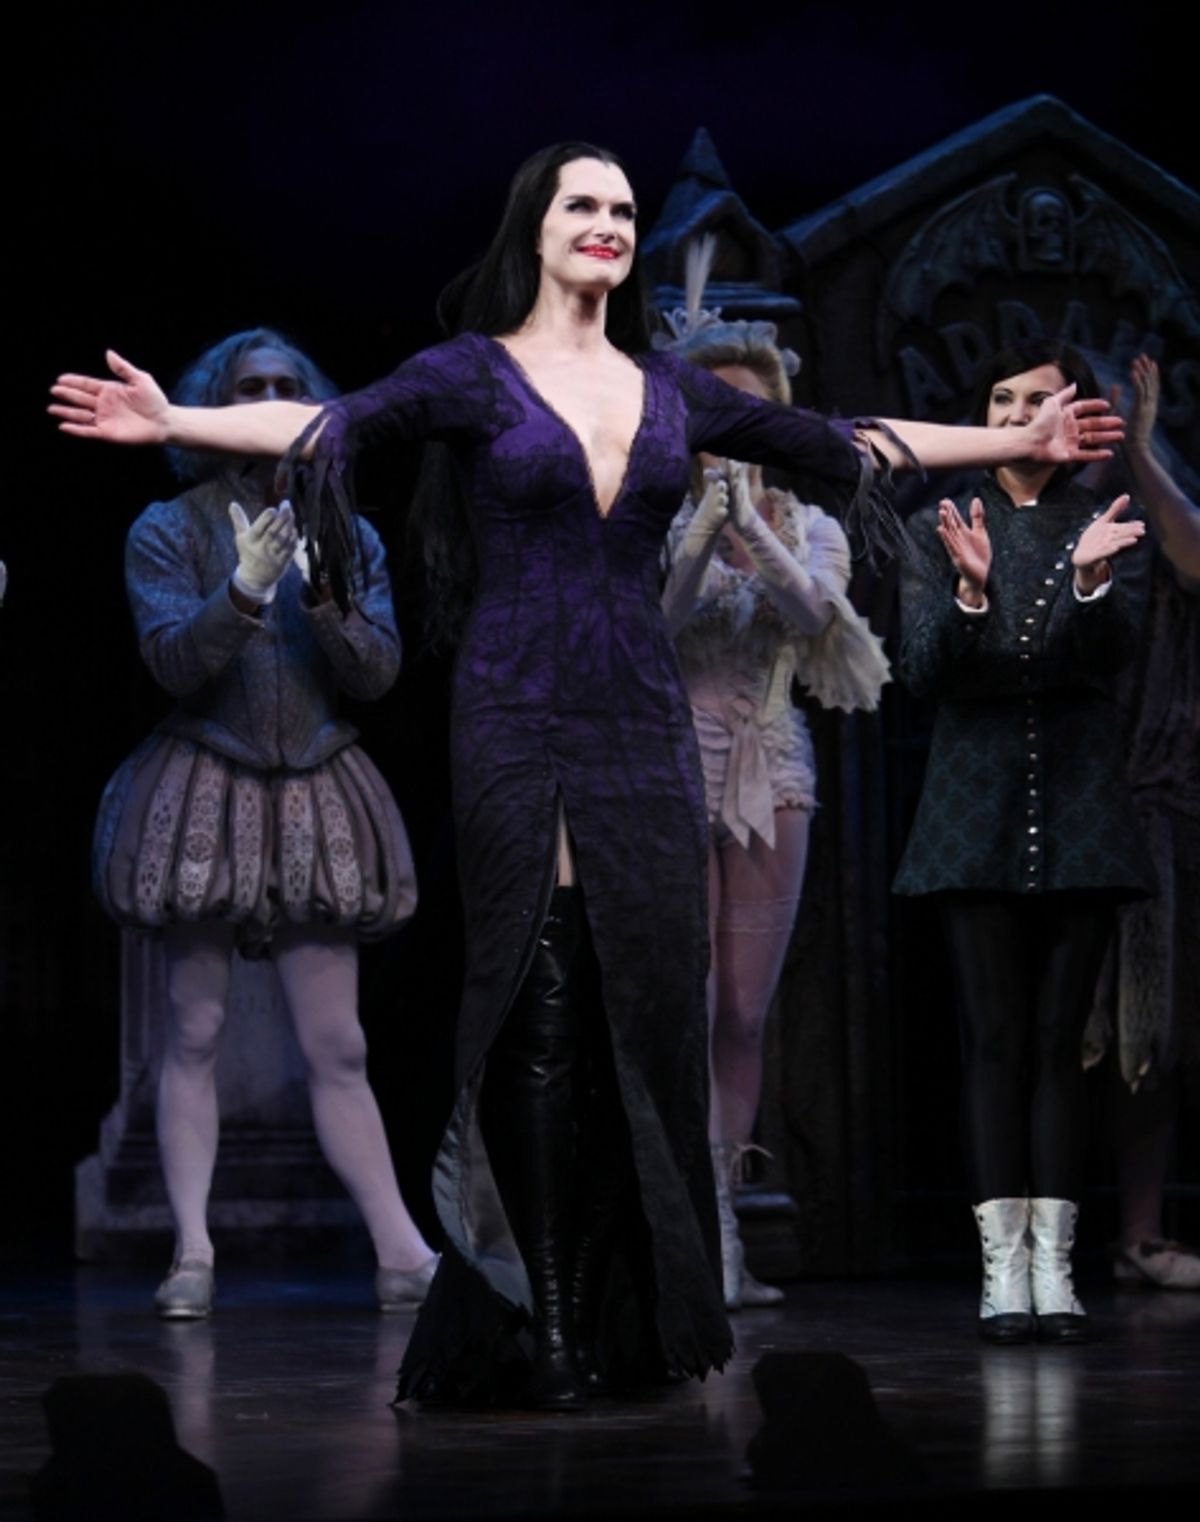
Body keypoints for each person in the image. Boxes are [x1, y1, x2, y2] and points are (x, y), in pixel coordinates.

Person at [51, 145, 1123, 1402]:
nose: (610, 225)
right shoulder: (474, 370)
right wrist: (173, 418)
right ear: (538, 227)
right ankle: (546, 1310)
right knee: (540, 998)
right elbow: (327, 425)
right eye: (585, 206)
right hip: (515, 705)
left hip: (638, 713)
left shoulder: (670, 390)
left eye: (622, 209)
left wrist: (1028, 431)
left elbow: (843, 438)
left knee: (642, 999)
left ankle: (626, 1300)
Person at [90, 329, 437, 1319]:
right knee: (193, 1027)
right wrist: (240, 589)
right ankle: (192, 1251)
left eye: (288, 386)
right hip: (210, 775)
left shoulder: (351, 534)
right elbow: (170, 663)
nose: (271, 400)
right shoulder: (167, 527)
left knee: (339, 1044)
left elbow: (376, 673)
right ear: (213, 407)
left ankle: (401, 1250)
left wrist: (324, 596)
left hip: (317, 781)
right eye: (251, 387)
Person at [893, 339, 1154, 1344]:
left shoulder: (1103, 518)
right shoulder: (939, 526)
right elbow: (923, 672)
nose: (1019, 413)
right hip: (974, 806)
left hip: (1080, 806)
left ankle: (1057, 1272)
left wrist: (1085, 590)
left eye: (1037, 397)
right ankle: (1003, 1276)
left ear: (1074, 414)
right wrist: (971, 596)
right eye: (1001, 398)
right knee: (994, 1037)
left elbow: (1112, 658)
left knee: (1057, 1043)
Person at [660, 275, 889, 1309]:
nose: (736, 429)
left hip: (768, 761)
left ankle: (727, 1233)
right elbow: (654, 626)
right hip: (667, 759)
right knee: (685, 999)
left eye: (756, 412)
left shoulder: (811, 524)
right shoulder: (653, 516)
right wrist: (704, 527)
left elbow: (811, 617)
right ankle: (686, 1237)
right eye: (719, 411)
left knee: (744, 1010)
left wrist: (749, 519)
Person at [1082, 355, 1200, 1290]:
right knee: (1047, 1034)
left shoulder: (1163, 513)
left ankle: (1140, 1232)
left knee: (1151, 1034)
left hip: (1160, 806)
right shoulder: (1039, 501)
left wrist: (1144, 450)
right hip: (1055, 803)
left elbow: (1195, 553)